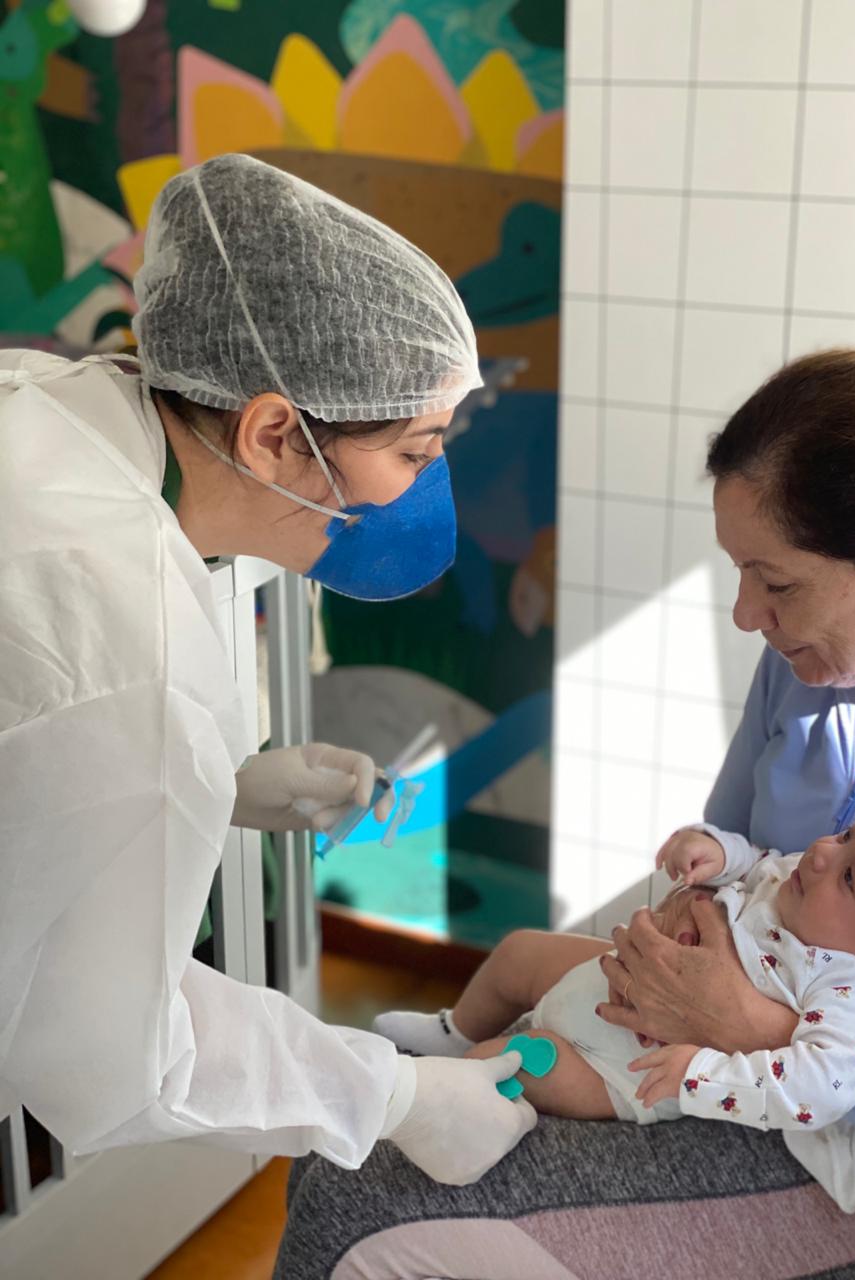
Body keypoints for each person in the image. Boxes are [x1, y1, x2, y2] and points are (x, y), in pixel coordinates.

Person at [273, 350, 855, 1278]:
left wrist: (751, 1027)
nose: (746, 614)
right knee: (347, 1140)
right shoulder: (806, 669)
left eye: (778, 583)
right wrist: (690, 910)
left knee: (358, 1207)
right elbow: (726, 845)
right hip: (699, 1051)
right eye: (739, 573)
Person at [0, 153, 536, 1186]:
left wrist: (224, 784)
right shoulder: (129, 660)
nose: (431, 485)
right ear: (276, 431)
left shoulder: (57, 404)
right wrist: (396, 1094)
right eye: (417, 450)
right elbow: (115, 1055)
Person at [376, 804, 855, 1213]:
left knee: (511, 1061)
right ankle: (452, 1031)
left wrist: (699, 1076)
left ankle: (466, 1106)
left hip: (626, 1064)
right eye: (849, 833)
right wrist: (712, 849)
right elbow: (759, 860)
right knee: (518, 953)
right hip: (611, 974)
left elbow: (813, 1091)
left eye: (852, 875)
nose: (827, 853)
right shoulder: (806, 879)